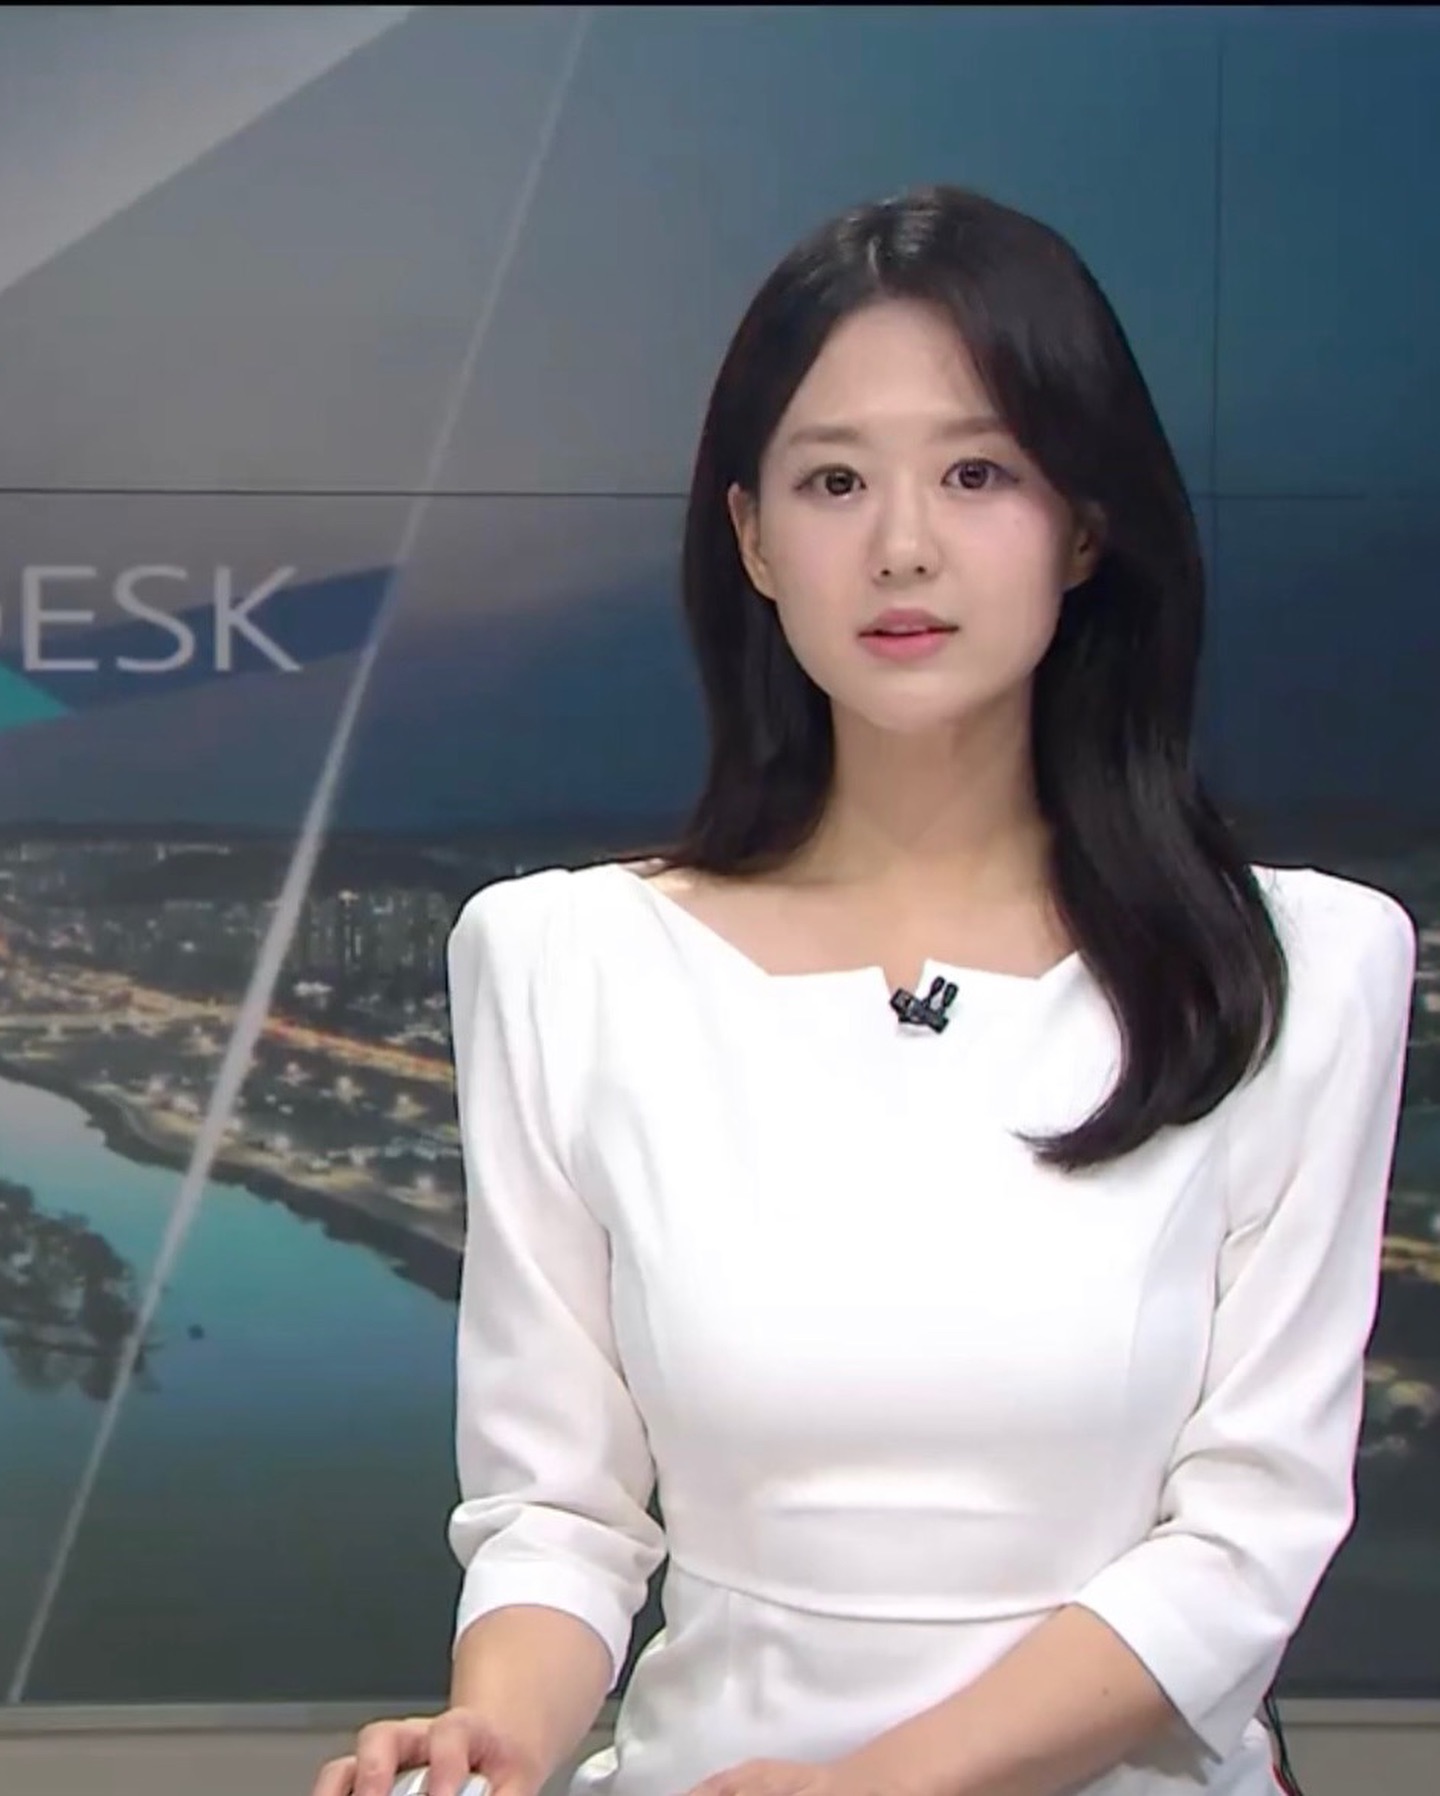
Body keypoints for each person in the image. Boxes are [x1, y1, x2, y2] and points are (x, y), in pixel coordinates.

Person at [311, 184, 1416, 1796]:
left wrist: (876, 1787)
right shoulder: (564, 959)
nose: (903, 545)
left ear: (1085, 525)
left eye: (979, 473)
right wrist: (494, 1743)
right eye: (836, 480)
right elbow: (560, 1515)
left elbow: (1247, 1541)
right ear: (754, 536)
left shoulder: (1300, 969)